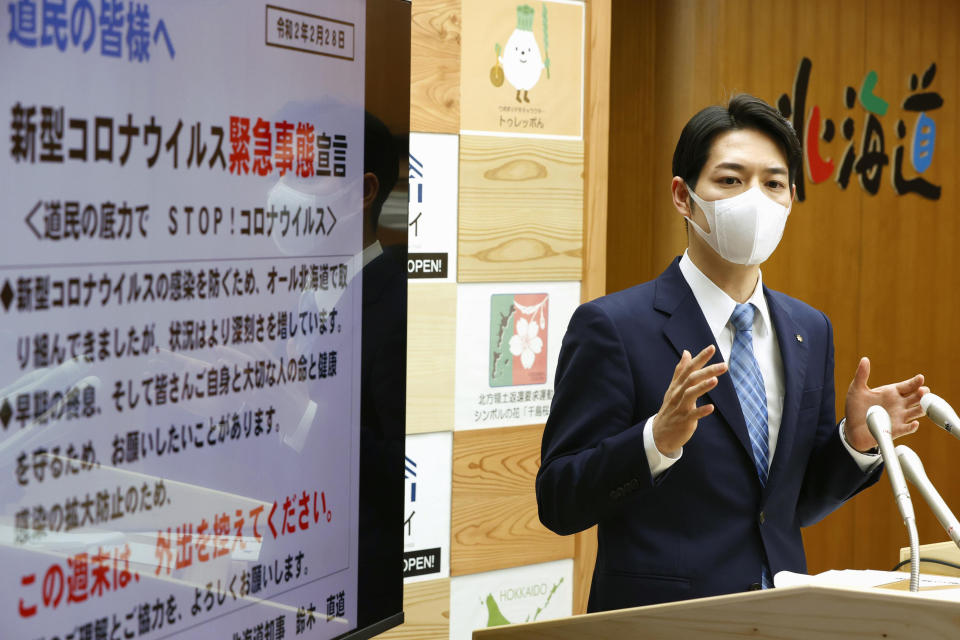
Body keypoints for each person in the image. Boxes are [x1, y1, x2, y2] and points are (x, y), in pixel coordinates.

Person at [535, 94, 928, 612]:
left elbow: (787, 507)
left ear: (792, 197)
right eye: (730, 180)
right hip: (663, 622)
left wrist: (854, 442)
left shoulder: (809, 329)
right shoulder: (613, 327)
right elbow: (559, 500)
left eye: (773, 183)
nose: (755, 199)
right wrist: (656, 440)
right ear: (682, 196)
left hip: (782, 616)